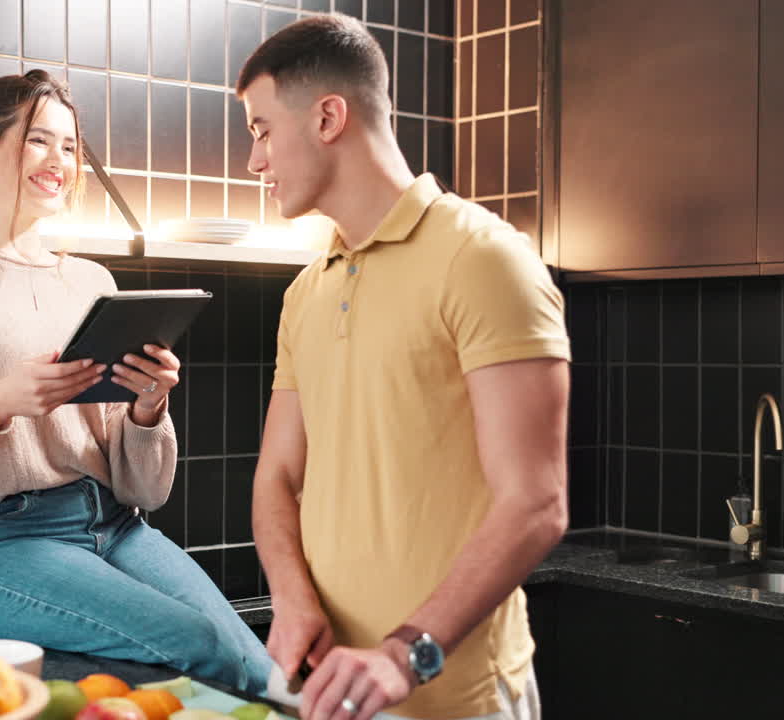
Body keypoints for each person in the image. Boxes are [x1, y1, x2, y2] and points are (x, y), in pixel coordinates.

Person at [0, 70, 271, 694]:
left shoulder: (90, 282)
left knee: (254, 661)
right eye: (40, 140)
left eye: (71, 147)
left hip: (117, 523)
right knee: (201, 644)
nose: (61, 162)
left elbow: (144, 489)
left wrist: (147, 409)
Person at [238, 14, 570, 720]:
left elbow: (535, 503)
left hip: (458, 695)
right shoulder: (308, 290)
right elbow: (278, 476)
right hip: (337, 693)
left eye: (262, 130)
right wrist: (293, 602)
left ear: (328, 116)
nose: (254, 160)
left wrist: (403, 652)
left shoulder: (484, 260)